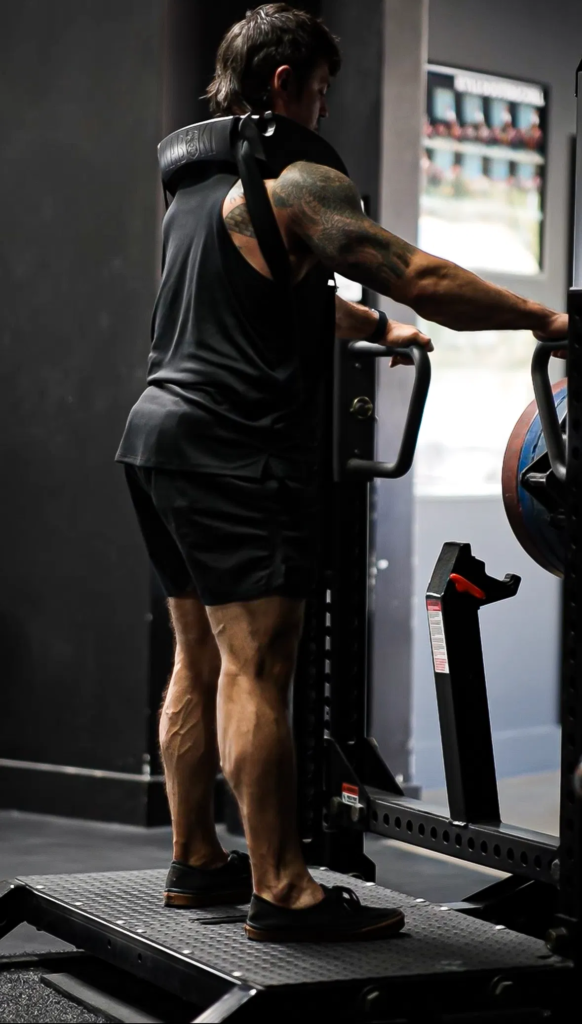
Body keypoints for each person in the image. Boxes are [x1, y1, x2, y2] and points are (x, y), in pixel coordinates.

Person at [115, 4, 568, 943]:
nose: (323, 106)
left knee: (199, 660)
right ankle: (284, 891)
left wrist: (376, 329)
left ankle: (196, 862)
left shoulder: (196, 192)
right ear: (286, 82)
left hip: (157, 440)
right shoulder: (295, 182)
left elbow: (285, 296)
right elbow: (423, 277)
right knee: (259, 667)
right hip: (233, 451)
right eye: (321, 89)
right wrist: (543, 319)